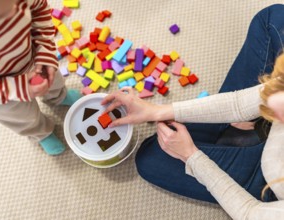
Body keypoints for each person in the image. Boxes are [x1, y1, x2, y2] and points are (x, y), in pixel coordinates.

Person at [101, 4, 284, 219]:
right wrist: (155, 111)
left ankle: (238, 136)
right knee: (272, 18)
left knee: (151, 158)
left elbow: (248, 211)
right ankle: (242, 130)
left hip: (268, 185)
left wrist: (191, 156)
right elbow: (240, 103)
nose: (269, 101)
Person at [0, 0, 82, 155]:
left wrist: (44, 49)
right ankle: (41, 132)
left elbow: (39, 9)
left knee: (54, 81)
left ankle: (59, 97)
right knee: (23, 118)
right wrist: (17, 88)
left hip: (34, 59)